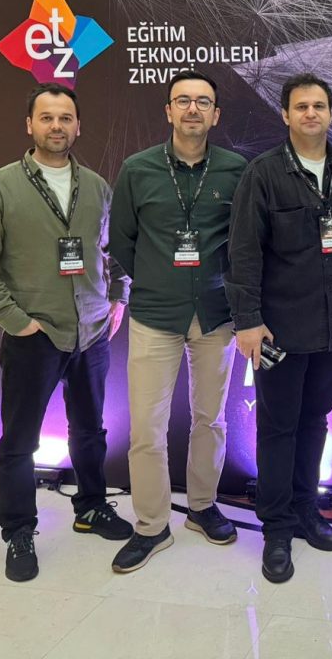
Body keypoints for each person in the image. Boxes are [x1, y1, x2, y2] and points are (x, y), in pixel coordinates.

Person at [0, 82, 132, 583]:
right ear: (29, 125)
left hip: (92, 332)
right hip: (34, 336)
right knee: (19, 441)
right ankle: (19, 531)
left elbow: (113, 250)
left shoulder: (97, 187)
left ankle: (91, 507)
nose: (56, 126)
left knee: (90, 430)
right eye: (47, 117)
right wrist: (19, 322)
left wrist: (117, 297)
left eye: (65, 118)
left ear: (78, 126)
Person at [227, 71, 332, 584]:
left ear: (331, 113)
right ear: (285, 115)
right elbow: (244, 252)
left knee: (315, 421)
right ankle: (276, 528)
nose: (311, 114)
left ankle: (306, 509)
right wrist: (248, 321)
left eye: (319, 106)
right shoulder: (263, 173)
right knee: (278, 427)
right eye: (301, 106)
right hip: (278, 330)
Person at [107, 70, 247, 573]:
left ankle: (203, 507)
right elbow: (121, 241)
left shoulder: (236, 170)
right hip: (155, 313)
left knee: (211, 418)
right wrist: (152, 279)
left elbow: (245, 242)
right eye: (182, 100)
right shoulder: (137, 169)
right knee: (147, 426)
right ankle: (151, 525)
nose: (192, 109)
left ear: (215, 115)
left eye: (202, 102)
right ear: (168, 111)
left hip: (215, 314)